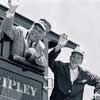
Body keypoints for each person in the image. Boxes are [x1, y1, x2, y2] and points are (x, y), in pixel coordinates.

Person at [49, 33, 100, 100]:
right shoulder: (60, 66)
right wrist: (59, 46)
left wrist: (97, 93)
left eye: (78, 58)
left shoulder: (85, 74)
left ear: (81, 61)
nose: (75, 59)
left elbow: (98, 80)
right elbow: (49, 60)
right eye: (73, 56)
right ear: (70, 58)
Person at [1, 0, 51, 66]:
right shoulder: (20, 31)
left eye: (39, 31)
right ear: (31, 26)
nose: (35, 32)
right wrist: (12, 10)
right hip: (9, 69)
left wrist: (37, 55)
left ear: (43, 35)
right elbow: (6, 29)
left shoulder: (41, 46)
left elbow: (44, 64)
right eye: (35, 28)